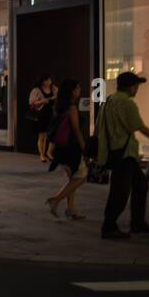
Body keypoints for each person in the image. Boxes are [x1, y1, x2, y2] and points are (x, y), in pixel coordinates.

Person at [97, 71, 149, 240]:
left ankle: (138, 223)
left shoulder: (109, 100)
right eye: (136, 86)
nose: (137, 89)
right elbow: (139, 126)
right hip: (124, 153)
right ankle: (109, 227)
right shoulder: (127, 103)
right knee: (120, 192)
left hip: (114, 151)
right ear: (130, 86)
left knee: (141, 185)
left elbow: (99, 127)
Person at [45, 79, 88, 221]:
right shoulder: (71, 108)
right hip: (71, 148)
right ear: (73, 91)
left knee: (72, 179)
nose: (79, 91)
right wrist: (84, 148)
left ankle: (71, 210)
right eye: (78, 89)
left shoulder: (58, 106)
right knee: (82, 177)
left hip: (61, 148)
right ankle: (56, 200)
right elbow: (76, 129)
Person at [28, 74, 57, 162]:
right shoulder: (36, 90)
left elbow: (59, 97)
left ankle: (49, 152)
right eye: (48, 80)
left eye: (50, 80)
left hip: (52, 114)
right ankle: (42, 155)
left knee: (53, 134)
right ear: (43, 81)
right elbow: (32, 103)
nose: (50, 81)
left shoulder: (54, 88)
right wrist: (42, 101)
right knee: (42, 136)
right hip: (42, 114)